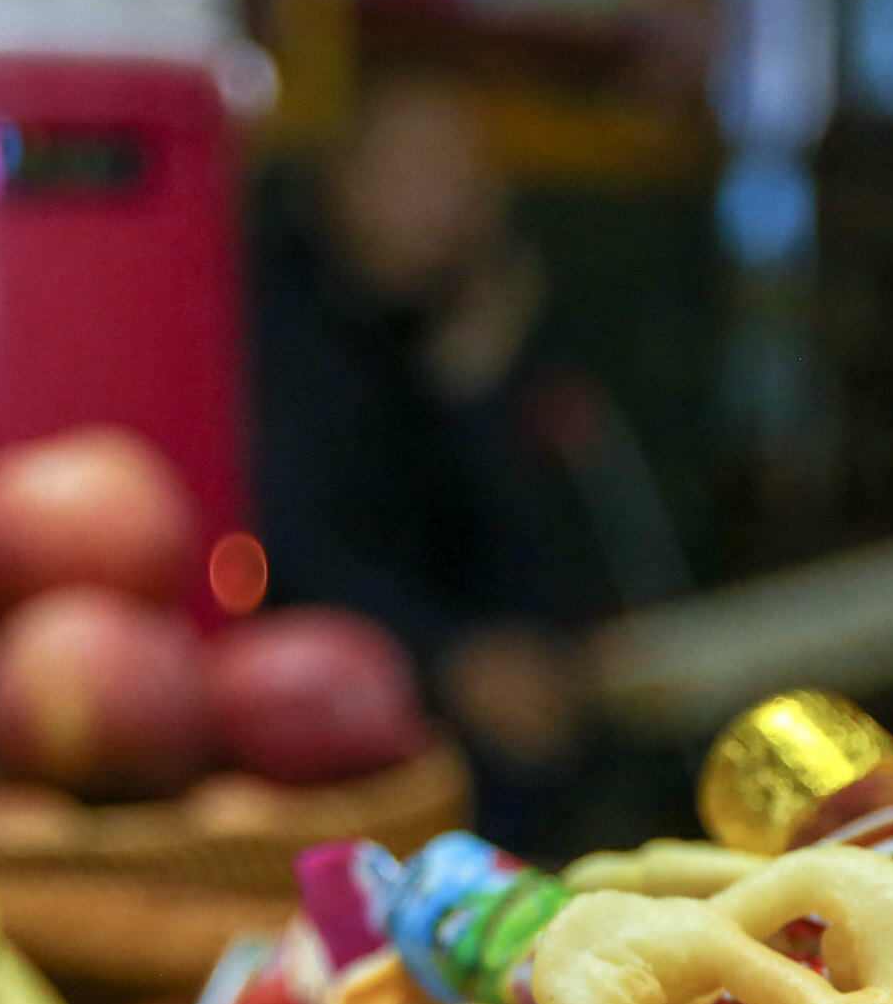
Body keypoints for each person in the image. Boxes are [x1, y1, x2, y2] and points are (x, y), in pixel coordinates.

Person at [251, 73, 684, 849]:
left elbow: (528, 562)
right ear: (340, 180)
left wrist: (477, 388)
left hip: (506, 735)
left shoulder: (462, 333)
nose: (447, 202)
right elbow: (289, 546)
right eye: (415, 170)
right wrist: (449, 659)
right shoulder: (284, 328)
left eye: (469, 178)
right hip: (333, 722)